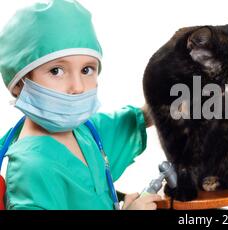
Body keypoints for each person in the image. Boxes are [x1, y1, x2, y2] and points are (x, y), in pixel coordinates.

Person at [0, 0, 161, 210]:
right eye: (56, 70)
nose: (77, 87)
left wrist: (178, 96)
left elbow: (136, 119)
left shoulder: (86, 131)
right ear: (18, 83)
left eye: (87, 70)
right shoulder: (31, 169)